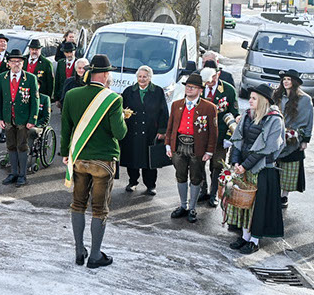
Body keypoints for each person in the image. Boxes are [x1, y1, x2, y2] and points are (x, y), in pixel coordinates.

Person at [61, 54, 127, 268]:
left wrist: (65, 152)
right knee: (99, 209)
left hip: (79, 158)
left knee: (78, 204)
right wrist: (122, 118)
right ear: (106, 74)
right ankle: (95, 255)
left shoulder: (72, 94)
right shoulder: (113, 99)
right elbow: (119, 133)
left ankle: (79, 251)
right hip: (103, 162)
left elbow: (66, 128)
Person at [227, 84, 286, 254]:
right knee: (243, 205)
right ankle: (245, 237)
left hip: (262, 170)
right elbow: (238, 140)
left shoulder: (275, 120)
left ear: (263, 100)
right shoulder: (247, 115)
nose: (250, 101)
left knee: (258, 208)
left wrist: (244, 166)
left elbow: (265, 150)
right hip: (244, 167)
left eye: (254, 98)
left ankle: (254, 240)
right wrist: (235, 161)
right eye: (250, 97)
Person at [164, 73, 217, 223]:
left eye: (193, 87)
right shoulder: (176, 104)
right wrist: (168, 144)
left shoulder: (209, 107)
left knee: (196, 177)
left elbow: (213, 132)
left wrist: (209, 151)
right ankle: (183, 205)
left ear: (200, 90)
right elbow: (170, 127)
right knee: (180, 175)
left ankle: (192, 208)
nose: (189, 89)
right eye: (187, 86)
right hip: (178, 145)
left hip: (197, 147)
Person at [120, 65, 169, 196]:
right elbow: (121, 110)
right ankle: (132, 182)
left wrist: (162, 130)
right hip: (132, 131)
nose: (142, 79)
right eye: (140, 76)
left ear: (150, 78)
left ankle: (151, 185)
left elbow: (164, 112)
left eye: (145, 77)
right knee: (132, 159)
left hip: (150, 131)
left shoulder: (158, 91)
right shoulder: (128, 91)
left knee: (149, 161)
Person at [0, 49, 39, 186]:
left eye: (19, 61)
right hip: (8, 118)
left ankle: (22, 175)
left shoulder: (30, 78)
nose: (16, 64)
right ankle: (13, 173)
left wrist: (32, 119)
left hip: (23, 119)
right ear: (8, 63)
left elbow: (35, 101)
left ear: (23, 63)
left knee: (22, 146)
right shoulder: (2, 77)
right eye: (13, 61)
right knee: (11, 146)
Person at [273, 69, 313, 209]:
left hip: (294, 139)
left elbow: (309, 121)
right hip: (276, 136)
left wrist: (305, 140)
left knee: (290, 168)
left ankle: (284, 196)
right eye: (284, 79)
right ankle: (274, 193)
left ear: (294, 82)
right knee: (275, 166)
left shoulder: (305, 99)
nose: (286, 81)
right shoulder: (277, 96)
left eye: (289, 79)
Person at [200, 62, 239, 206]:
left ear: (218, 74)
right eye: (207, 78)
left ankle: (214, 193)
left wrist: (229, 137)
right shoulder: (199, 87)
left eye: (213, 77)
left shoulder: (228, 90)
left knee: (217, 165)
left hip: (220, 136)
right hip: (201, 135)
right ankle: (202, 191)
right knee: (198, 164)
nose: (210, 81)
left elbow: (233, 114)